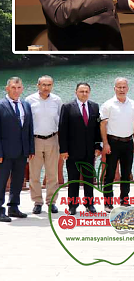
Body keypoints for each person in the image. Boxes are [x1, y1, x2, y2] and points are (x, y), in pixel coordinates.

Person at [58, 82, 101, 215]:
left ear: (89, 92)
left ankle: (89, 204)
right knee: (73, 179)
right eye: (81, 91)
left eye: (86, 91)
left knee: (89, 178)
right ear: (76, 92)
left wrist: (97, 146)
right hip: (72, 151)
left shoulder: (94, 106)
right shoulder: (67, 107)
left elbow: (96, 129)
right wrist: (63, 150)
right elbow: (62, 129)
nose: (84, 94)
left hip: (89, 151)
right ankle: (72, 205)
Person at [100, 77, 134, 210]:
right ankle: (108, 202)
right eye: (119, 87)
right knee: (109, 174)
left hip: (128, 142)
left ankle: (124, 200)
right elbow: (103, 125)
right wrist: (105, 143)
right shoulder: (108, 105)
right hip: (112, 142)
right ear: (114, 88)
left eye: (124, 87)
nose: (122, 90)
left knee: (126, 173)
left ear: (127, 88)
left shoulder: (133, 104)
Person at [26, 75, 62, 215]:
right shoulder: (29, 100)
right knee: (34, 174)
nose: (46, 87)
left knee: (52, 173)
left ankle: (51, 202)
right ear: (38, 85)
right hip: (35, 140)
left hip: (53, 139)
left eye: (49, 85)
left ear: (52, 86)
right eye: (43, 84)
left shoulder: (57, 100)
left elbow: (61, 122)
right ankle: (37, 202)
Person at [0, 78, 34, 222]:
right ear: (7, 88)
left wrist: (31, 149)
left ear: (22, 88)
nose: (16, 90)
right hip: (5, 152)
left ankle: (13, 207)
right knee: (1, 181)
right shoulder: (1, 105)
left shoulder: (25, 105)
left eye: (19, 87)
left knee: (18, 180)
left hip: (22, 151)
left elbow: (29, 128)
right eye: (13, 87)